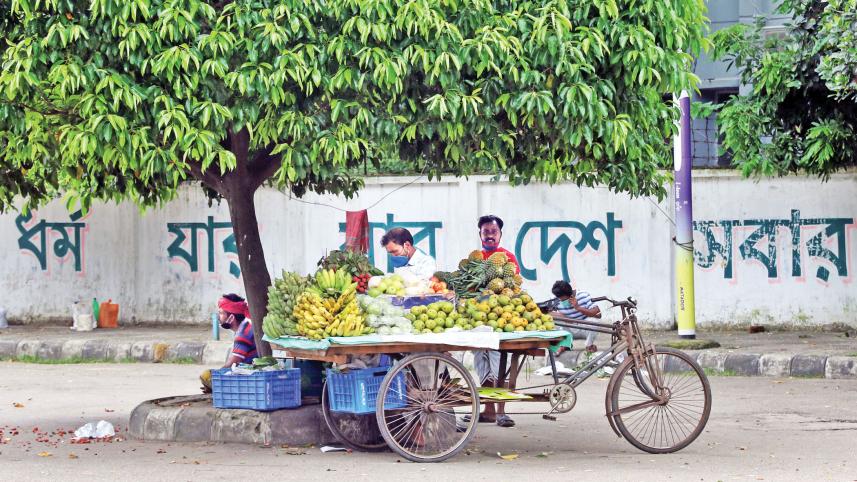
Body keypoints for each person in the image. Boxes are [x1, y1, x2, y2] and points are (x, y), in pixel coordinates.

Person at [473, 214, 517, 427]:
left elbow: (515, 285)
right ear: (480, 234)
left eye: (494, 232)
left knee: (499, 365)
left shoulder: (508, 257)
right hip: (480, 321)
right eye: (486, 232)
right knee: (482, 364)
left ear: (500, 234)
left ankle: (501, 411)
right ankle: (488, 409)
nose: (490, 235)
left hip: (501, 319)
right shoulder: (474, 258)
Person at [200, 293, 258, 393]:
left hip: (250, 375)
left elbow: (234, 361)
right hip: (248, 371)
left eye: (221, 313)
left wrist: (216, 376)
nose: (219, 317)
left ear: (231, 317)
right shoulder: (245, 326)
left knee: (206, 375)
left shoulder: (243, 333)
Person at [550, 280, 602, 353]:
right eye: (560, 299)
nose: (561, 301)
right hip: (568, 328)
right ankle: (564, 344)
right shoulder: (555, 299)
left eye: (563, 300)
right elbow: (548, 312)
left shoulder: (583, 295)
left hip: (583, 327)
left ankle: (589, 345)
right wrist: (565, 318)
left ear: (571, 295)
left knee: (595, 322)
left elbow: (598, 314)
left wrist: (578, 308)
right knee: (550, 321)